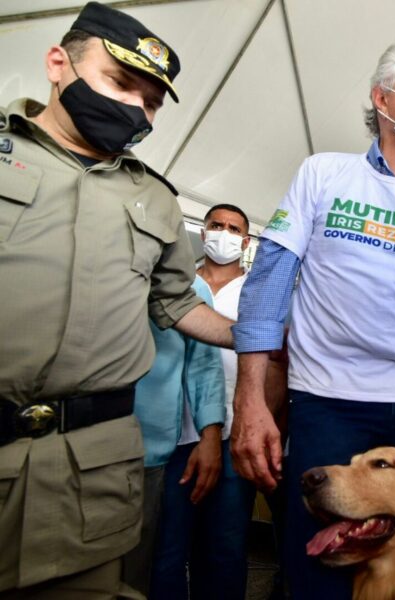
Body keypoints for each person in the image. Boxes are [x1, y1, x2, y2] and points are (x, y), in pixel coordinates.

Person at [229, 40, 395, 598]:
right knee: (321, 565)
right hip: (326, 404)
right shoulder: (323, 174)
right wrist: (250, 400)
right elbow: (269, 282)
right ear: (383, 97)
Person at [0, 3, 233, 596]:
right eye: (120, 82)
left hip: (93, 466)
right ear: (58, 64)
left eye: (152, 101)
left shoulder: (155, 200)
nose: (136, 107)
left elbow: (178, 306)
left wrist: (267, 334)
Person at [151, 204, 258, 600]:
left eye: (233, 229)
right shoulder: (177, 285)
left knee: (225, 547)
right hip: (174, 434)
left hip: (235, 432)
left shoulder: (257, 292)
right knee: (168, 547)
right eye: (217, 225)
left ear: (246, 241)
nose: (224, 234)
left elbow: (278, 365)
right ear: (202, 230)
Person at [124, 277, 227, 597]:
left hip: (153, 453)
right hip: (78, 440)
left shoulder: (187, 287)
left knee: (154, 563)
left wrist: (210, 436)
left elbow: (204, 365)